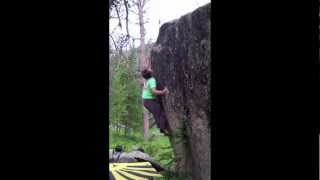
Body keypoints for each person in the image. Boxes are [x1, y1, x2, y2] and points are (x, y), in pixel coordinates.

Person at [141, 67, 171, 135]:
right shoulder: (151, 80)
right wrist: (163, 92)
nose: (151, 69)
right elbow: (154, 91)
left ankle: (162, 129)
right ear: (150, 73)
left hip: (147, 100)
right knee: (159, 113)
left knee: (158, 112)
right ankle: (164, 129)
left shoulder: (147, 79)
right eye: (149, 69)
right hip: (148, 101)